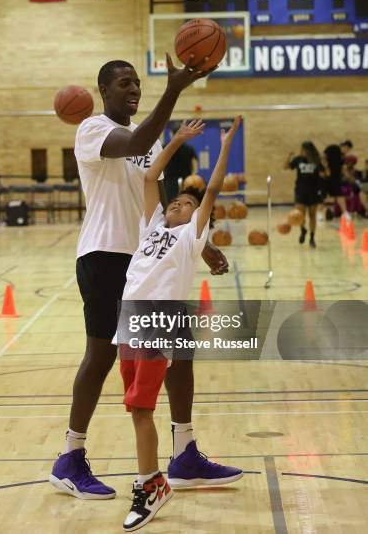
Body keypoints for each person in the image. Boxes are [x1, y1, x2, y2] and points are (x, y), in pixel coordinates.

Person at [49, 56, 239, 501]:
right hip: (102, 256)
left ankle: (185, 453)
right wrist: (173, 89)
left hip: (144, 262)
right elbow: (138, 136)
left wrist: (200, 242)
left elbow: (155, 199)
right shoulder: (92, 130)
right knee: (101, 356)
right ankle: (69, 457)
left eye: (137, 82)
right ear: (103, 91)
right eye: (123, 83)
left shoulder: (149, 143)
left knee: (179, 350)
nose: (133, 88)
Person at [117, 117, 242, 531]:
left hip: (159, 320)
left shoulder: (190, 239)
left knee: (141, 404)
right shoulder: (151, 225)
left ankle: (149, 486)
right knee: (134, 407)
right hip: (130, 318)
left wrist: (224, 146)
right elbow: (152, 175)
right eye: (176, 202)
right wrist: (176, 139)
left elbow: (214, 188)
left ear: (196, 221)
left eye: (187, 205)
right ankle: (154, 482)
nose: (178, 204)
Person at [285, 141, 324, 248]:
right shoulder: (298, 160)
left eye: (302, 149)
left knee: (312, 215)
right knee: (299, 214)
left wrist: (325, 164)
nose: (300, 151)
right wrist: (288, 156)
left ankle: (312, 238)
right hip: (300, 190)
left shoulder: (316, 161)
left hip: (313, 191)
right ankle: (303, 230)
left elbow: (326, 173)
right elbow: (286, 167)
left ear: (307, 150)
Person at [163, 121, 198, 202]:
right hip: (185, 180)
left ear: (171, 134)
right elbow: (195, 164)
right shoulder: (189, 149)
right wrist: (193, 177)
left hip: (170, 181)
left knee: (171, 203)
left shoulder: (165, 148)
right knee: (186, 202)